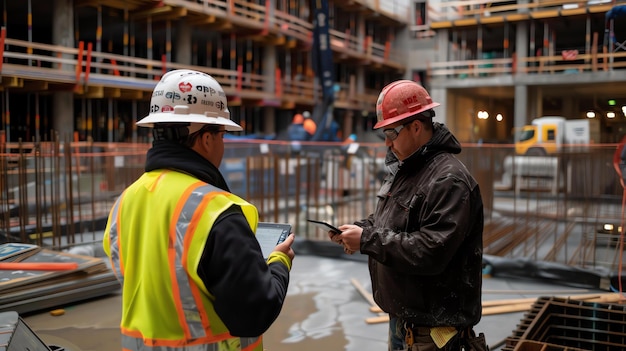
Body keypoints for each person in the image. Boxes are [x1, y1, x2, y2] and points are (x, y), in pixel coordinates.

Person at [102, 69, 295, 351]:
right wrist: (280, 263)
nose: (223, 144)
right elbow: (254, 313)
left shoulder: (125, 201)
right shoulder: (218, 211)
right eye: (222, 135)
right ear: (206, 138)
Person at [329, 80, 484, 351]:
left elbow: (430, 250)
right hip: (405, 322)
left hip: (434, 332)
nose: (387, 143)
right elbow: (390, 221)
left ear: (415, 127)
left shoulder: (448, 180)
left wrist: (367, 240)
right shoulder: (410, 168)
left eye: (392, 132)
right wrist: (358, 229)